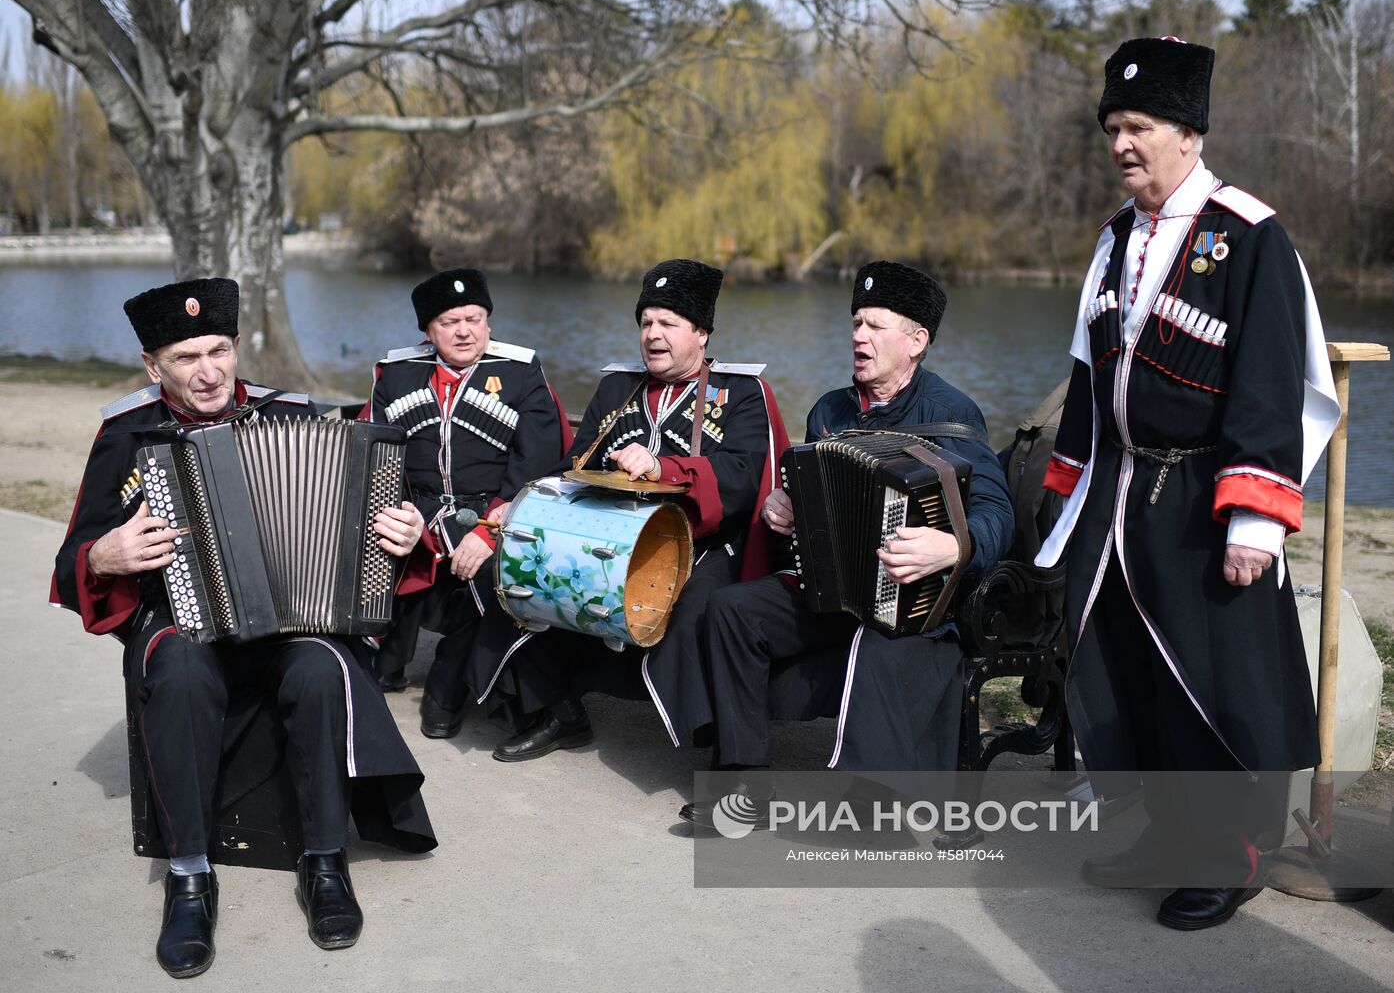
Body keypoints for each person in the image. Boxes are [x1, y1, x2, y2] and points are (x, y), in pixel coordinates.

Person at [50, 278, 439, 978]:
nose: (207, 372)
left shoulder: (291, 414)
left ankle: (325, 863)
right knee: (180, 668)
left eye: (219, 351)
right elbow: (72, 561)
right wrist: (104, 554)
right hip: (180, 621)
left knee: (323, 667)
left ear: (236, 347)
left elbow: (370, 522)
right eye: (185, 357)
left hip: (292, 618)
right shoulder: (126, 435)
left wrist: (406, 532)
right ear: (152, 366)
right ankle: (190, 877)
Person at [1035, 37, 1340, 930]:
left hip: (1205, 500)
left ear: (1188, 133)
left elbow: (1270, 381)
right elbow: (1092, 373)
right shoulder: (1116, 235)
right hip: (1121, 494)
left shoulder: (1250, 234)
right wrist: (1067, 493)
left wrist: (1254, 519)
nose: (1122, 144)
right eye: (1113, 128)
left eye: (1140, 126)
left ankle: (1227, 856)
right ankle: (1168, 834)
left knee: (1212, 689)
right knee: (1134, 676)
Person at [682, 261, 1014, 827]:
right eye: (856, 323)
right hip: (833, 587)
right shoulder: (830, 411)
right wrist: (783, 507)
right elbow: (810, 492)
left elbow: (995, 512)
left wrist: (953, 547)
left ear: (917, 342)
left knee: (888, 641)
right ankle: (740, 784)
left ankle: (879, 801)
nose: (858, 336)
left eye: (875, 326)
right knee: (730, 611)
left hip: (916, 597)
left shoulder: (952, 414)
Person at [461, 258, 789, 761]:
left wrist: (665, 467)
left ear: (701, 333)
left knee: (707, 607)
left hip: (702, 542)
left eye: (668, 324)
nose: (652, 335)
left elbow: (743, 480)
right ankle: (558, 710)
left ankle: (721, 746)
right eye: (646, 323)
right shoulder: (618, 387)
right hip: (607, 536)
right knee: (518, 572)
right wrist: (524, 512)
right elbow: (574, 465)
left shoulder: (744, 392)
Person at [361, 268, 570, 738]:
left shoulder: (520, 373)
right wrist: (397, 514)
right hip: (414, 513)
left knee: (484, 580)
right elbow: (372, 455)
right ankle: (379, 656)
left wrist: (490, 530)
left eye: (473, 318)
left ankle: (445, 690)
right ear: (428, 332)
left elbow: (536, 467)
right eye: (449, 322)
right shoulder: (395, 375)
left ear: (488, 321)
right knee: (365, 547)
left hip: (491, 514)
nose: (464, 331)